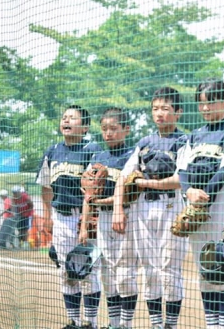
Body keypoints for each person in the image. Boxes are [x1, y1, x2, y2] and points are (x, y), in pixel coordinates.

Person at [112, 87, 187, 329]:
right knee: (150, 269)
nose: (159, 113)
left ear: (178, 112)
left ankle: (170, 325)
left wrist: (144, 182)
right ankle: (156, 324)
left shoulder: (184, 141)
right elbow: (124, 176)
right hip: (143, 208)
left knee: (170, 268)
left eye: (165, 108)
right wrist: (118, 209)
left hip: (172, 205)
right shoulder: (144, 143)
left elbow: (180, 180)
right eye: (155, 109)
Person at [176, 79, 224, 329]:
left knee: (222, 266)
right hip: (195, 204)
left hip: (219, 205)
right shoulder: (194, 135)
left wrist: (203, 197)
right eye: (202, 103)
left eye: (211, 102)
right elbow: (182, 169)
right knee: (204, 268)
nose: (205, 108)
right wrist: (189, 192)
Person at [36, 105, 104, 329]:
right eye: (64, 117)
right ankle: (74, 321)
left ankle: (91, 323)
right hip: (61, 217)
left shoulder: (92, 149)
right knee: (66, 270)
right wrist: (47, 216)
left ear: (85, 127)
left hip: (85, 218)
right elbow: (46, 187)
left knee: (88, 270)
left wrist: (88, 220)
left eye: (72, 118)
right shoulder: (53, 151)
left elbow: (95, 187)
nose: (66, 120)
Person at [78, 108, 137, 329]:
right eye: (104, 129)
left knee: (125, 273)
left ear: (126, 129)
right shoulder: (98, 158)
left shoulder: (132, 155)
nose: (108, 133)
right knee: (107, 273)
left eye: (113, 128)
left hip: (126, 218)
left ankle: (126, 324)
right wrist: (84, 227)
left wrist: (103, 201)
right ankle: (114, 323)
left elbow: (131, 193)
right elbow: (88, 195)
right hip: (103, 219)